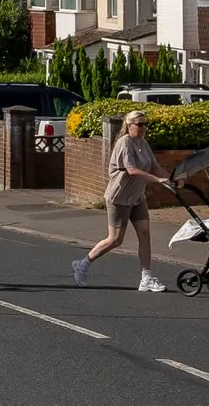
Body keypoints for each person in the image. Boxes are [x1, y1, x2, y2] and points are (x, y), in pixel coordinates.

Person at [74, 110, 173, 291]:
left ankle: (146, 278)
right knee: (115, 240)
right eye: (140, 124)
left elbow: (154, 166)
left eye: (145, 124)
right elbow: (132, 170)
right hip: (119, 197)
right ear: (130, 125)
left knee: (144, 234)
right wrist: (157, 180)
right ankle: (83, 263)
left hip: (136, 197)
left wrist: (171, 179)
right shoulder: (124, 143)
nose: (144, 128)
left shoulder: (143, 143)